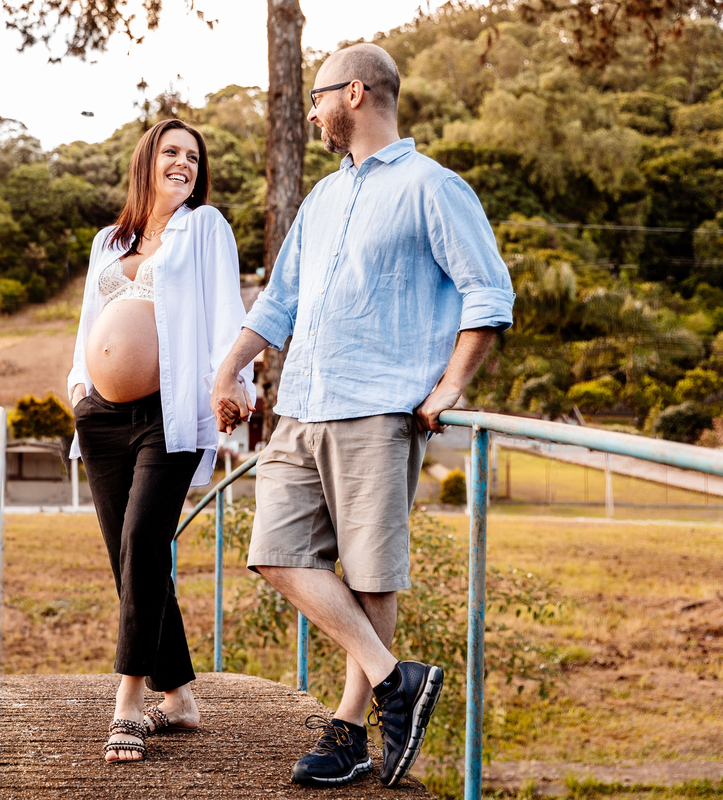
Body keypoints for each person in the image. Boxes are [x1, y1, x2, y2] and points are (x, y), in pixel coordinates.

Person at [211, 43, 514, 788]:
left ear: (353, 93)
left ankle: (349, 731)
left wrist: (450, 387)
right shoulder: (322, 198)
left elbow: (488, 294)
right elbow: (279, 300)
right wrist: (229, 366)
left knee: (372, 576)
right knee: (274, 552)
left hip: (379, 408)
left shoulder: (433, 187)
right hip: (301, 404)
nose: (312, 113)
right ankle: (394, 679)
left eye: (317, 99)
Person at [67, 118, 255, 763]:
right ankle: (179, 697)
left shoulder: (204, 229)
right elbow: (89, 324)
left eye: (193, 158)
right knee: (127, 555)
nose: (183, 164)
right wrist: (79, 388)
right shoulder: (109, 240)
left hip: (168, 414)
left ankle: (129, 701)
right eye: (171, 152)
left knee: (145, 540)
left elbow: (227, 311)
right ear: (146, 161)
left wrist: (233, 384)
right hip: (100, 417)